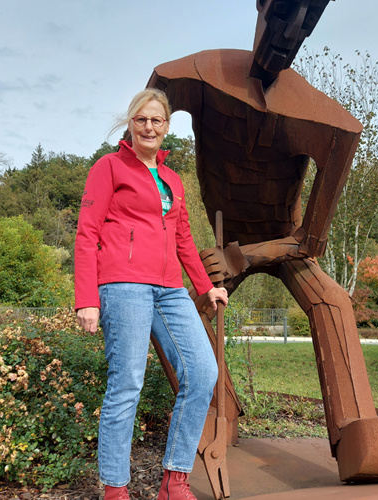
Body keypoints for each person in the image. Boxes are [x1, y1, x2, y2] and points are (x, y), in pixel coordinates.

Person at [74, 88, 228, 500]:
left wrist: (205, 286)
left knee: (203, 372)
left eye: (156, 120)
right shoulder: (108, 168)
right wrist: (86, 298)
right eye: (141, 119)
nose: (149, 126)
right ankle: (115, 488)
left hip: (170, 288)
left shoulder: (173, 180)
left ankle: (174, 480)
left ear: (166, 127)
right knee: (127, 382)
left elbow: (183, 241)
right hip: (122, 284)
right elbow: (87, 234)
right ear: (131, 124)